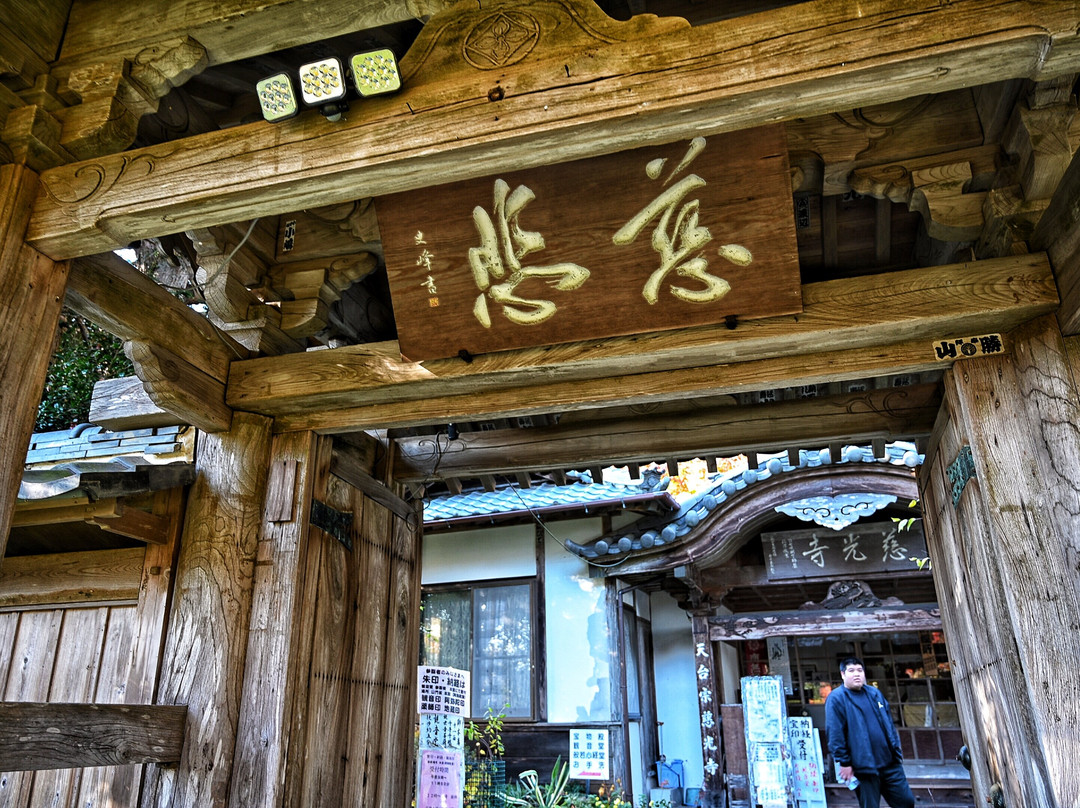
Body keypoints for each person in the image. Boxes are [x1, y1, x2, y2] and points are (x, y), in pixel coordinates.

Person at [825, 657, 915, 808]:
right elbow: (835, 733)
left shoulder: (874, 693)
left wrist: (896, 748)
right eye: (851, 670)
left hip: (889, 762)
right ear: (842, 674)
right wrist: (844, 762)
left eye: (860, 670)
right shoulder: (837, 698)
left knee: (906, 802)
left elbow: (888, 724)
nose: (857, 674)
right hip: (863, 767)